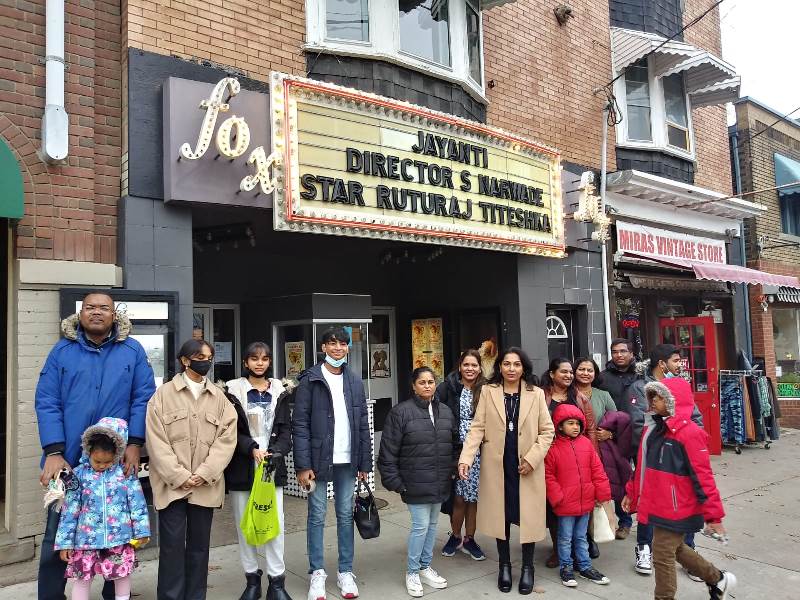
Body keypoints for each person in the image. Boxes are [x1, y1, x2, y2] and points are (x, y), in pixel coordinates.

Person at [35, 291, 155, 600]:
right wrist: (53, 451)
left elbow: (143, 398)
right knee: (58, 533)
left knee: (118, 531)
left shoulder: (132, 350)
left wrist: (135, 443)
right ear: (81, 313)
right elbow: (47, 401)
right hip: (67, 458)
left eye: (104, 307)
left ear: (114, 315)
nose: (97, 312)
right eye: (90, 307)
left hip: (115, 456)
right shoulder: (62, 351)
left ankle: (114, 594)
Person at [622, 379, 736, 600]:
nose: (654, 401)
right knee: (675, 548)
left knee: (662, 554)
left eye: (660, 396)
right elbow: (642, 464)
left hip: (679, 507)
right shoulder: (654, 429)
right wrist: (631, 492)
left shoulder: (690, 433)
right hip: (659, 503)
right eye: (652, 396)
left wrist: (713, 516)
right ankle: (718, 579)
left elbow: (703, 477)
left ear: (673, 401)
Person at [146, 339, 238, 600]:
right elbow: (156, 441)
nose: (205, 362)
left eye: (209, 357)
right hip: (171, 486)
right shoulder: (162, 396)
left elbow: (226, 440)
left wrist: (204, 474)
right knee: (172, 548)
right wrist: (179, 476)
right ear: (185, 361)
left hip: (205, 486)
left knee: (199, 548)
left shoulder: (219, 398)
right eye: (199, 357)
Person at [458, 347, 554, 595]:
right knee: (500, 517)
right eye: (507, 364)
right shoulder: (488, 391)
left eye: (517, 364)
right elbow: (477, 428)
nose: (512, 369)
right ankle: (504, 565)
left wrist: (532, 459)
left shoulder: (536, 394)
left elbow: (547, 431)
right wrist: (466, 458)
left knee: (528, 518)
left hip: (526, 467)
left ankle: (528, 567)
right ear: (499, 367)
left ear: (524, 368)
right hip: (497, 467)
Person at [292, 327, 373, 600]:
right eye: (332, 343)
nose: (338, 348)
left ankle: (345, 571)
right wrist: (302, 465)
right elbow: (300, 425)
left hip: (347, 460)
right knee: (316, 515)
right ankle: (317, 572)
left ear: (348, 348)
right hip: (318, 460)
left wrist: (364, 463)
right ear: (323, 347)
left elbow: (363, 424)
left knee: (345, 515)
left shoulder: (354, 381)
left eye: (343, 344)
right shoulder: (310, 379)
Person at [379, 367, 458, 597]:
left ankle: (424, 566)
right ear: (413, 386)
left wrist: (453, 469)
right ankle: (412, 571)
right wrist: (396, 482)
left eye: (431, 381)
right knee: (420, 526)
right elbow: (388, 452)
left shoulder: (445, 411)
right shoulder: (400, 413)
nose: (427, 386)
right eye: (422, 382)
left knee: (432, 525)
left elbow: (455, 444)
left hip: (439, 480)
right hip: (414, 482)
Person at [628, 344, 704, 578]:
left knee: (684, 502)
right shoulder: (640, 387)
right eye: (675, 360)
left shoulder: (680, 385)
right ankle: (644, 547)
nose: (679, 365)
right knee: (649, 501)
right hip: (653, 456)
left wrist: (689, 441)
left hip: (679, 456)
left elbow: (695, 417)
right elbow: (639, 424)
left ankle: (689, 552)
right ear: (662, 364)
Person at [225, 342, 294, 600]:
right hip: (243, 465)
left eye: (264, 358)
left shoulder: (280, 391)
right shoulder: (232, 391)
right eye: (254, 358)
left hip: (271, 467)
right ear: (245, 362)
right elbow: (229, 431)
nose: (259, 363)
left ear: (269, 362)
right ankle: (252, 581)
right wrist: (251, 448)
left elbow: (286, 430)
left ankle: (277, 583)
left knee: (275, 525)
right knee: (246, 525)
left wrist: (276, 452)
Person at [54, 418, 151, 600]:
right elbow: (69, 510)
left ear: (117, 454)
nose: (101, 466)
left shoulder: (125, 474)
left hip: (119, 538)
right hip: (85, 541)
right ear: (88, 452)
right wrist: (65, 543)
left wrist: (142, 531)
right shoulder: (79, 475)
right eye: (97, 461)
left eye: (107, 462)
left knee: (122, 574)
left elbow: (137, 504)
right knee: (82, 577)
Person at [540, 357, 599, 568]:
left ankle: (583, 543)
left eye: (570, 372)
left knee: (580, 501)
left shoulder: (580, 398)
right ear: (552, 374)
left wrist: (593, 455)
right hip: (551, 457)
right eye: (563, 372)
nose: (568, 375)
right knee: (554, 504)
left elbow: (590, 429)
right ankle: (559, 549)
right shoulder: (542, 396)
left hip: (578, 458)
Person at [544, 404, 612, 588]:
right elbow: (548, 475)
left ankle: (584, 566)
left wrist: (602, 494)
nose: (575, 427)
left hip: (585, 502)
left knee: (581, 537)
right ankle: (566, 568)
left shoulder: (586, 444)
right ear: (559, 426)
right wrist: (558, 497)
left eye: (578, 423)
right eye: (570, 423)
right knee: (565, 538)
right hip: (565, 504)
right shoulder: (553, 448)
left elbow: (597, 470)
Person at [573, 356, 633, 539]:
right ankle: (585, 531)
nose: (585, 373)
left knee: (612, 483)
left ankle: (623, 521)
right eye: (581, 369)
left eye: (589, 370)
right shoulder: (569, 393)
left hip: (602, 449)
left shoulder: (603, 395)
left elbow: (618, 422)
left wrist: (610, 434)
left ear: (595, 374)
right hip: (575, 449)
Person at [437, 349, 486, 560]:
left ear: (480, 368)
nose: (470, 369)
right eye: (466, 364)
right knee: (458, 498)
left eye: (474, 365)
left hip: (480, 450)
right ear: (460, 367)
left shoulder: (486, 389)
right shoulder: (448, 388)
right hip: (455, 448)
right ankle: (455, 536)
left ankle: (470, 539)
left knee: (473, 498)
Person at [596, 338, 639, 411]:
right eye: (615, 352)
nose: (619, 355)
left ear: (631, 354)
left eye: (623, 351)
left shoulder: (641, 375)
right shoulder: (601, 378)